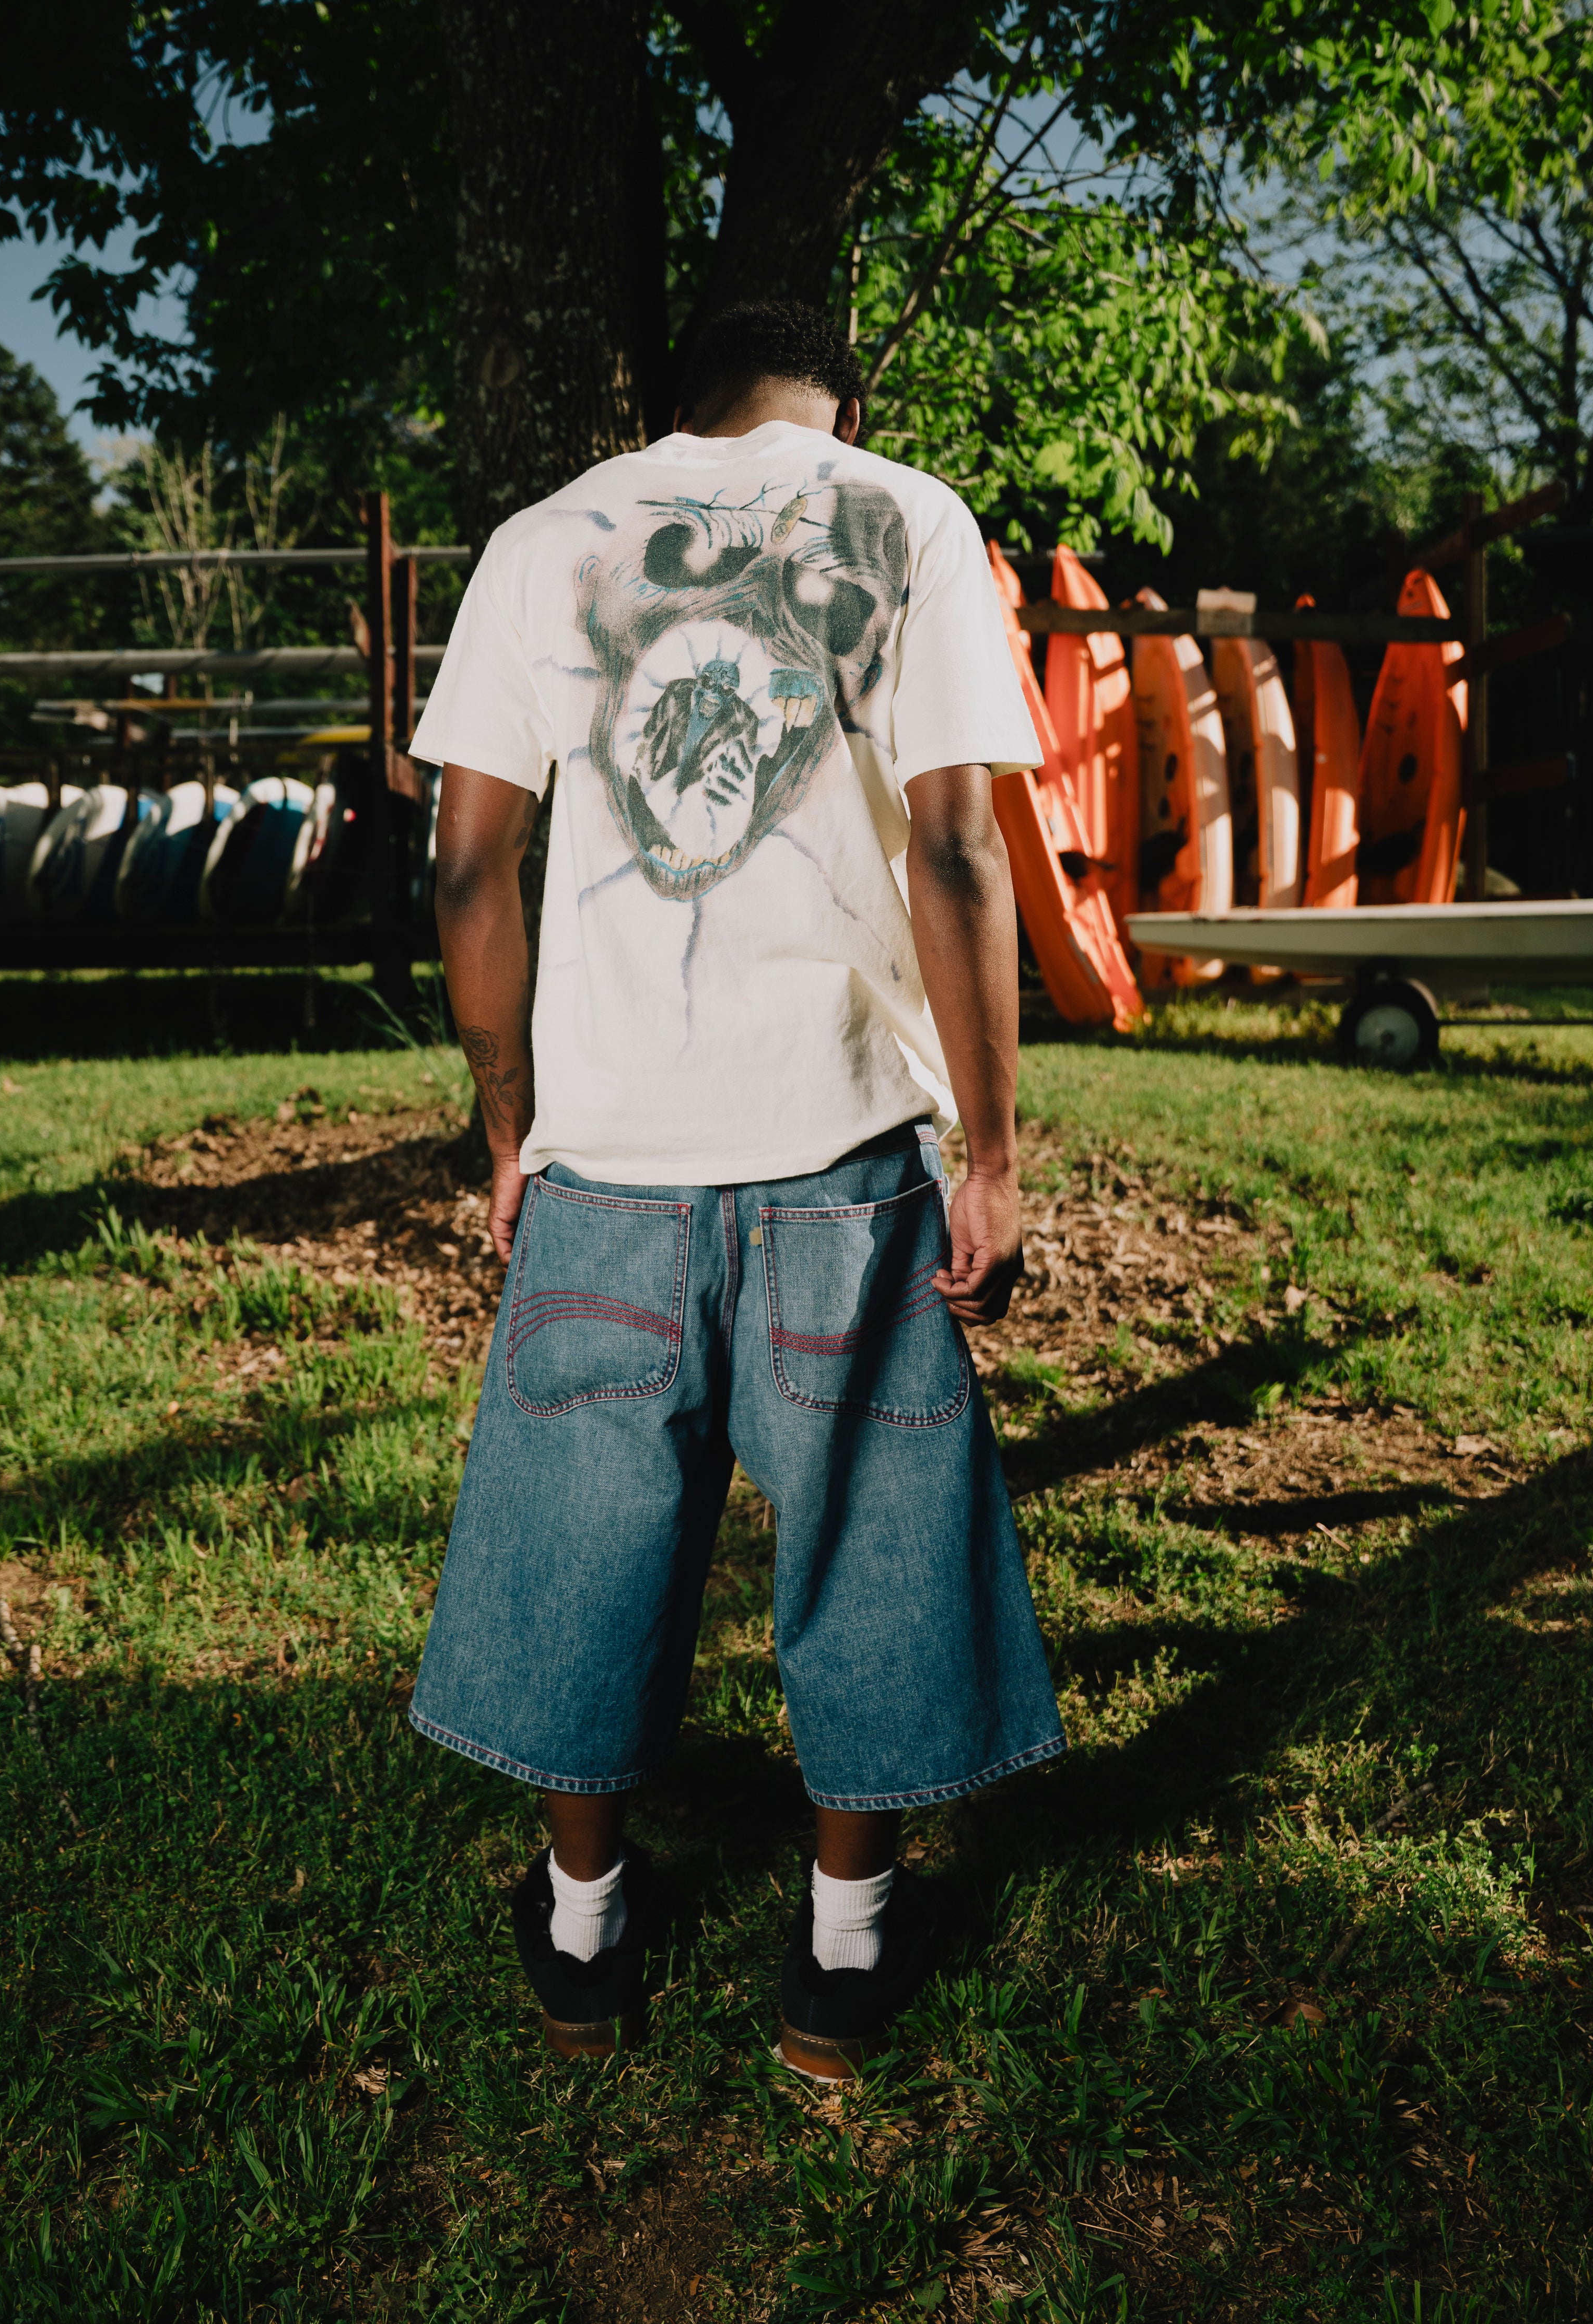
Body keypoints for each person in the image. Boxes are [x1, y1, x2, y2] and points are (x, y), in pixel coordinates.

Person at [406, 298, 1064, 2082]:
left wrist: (508, 1126)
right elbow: (957, 843)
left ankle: (584, 1930)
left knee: (584, 1546)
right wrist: (993, 1152)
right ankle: (842, 1957)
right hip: (836, 1153)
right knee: (872, 1535)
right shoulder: (907, 517)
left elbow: (470, 866)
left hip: (609, 1159)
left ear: (671, 404)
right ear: (839, 400)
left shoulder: (540, 542)